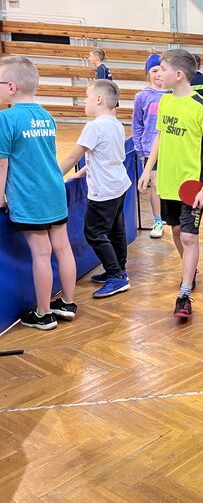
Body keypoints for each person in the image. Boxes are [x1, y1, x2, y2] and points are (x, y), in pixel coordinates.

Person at [137, 49, 203, 318]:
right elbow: (160, 136)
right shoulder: (166, 102)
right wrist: (147, 170)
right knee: (175, 231)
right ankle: (189, 269)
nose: (159, 73)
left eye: (163, 69)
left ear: (179, 74)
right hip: (168, 182)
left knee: (188, 236)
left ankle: (184, 294)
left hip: (191, 185)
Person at [0, 56, 78, 329]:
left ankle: (43, 314)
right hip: (54, 191)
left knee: (41, 254)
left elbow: (2, 164)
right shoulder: (46, 116)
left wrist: (0, 197)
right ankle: (68, 303)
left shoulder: (5, 118)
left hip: (30, 197)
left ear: (11, 87)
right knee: (63, 247)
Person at [60, 80, 131, 299]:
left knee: (94, 233)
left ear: (99, 99)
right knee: (116, 231)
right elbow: (106, 155)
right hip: (119, 185)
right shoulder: (115, 123)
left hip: (104, 190)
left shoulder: (94, 126)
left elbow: (73, 157)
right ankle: (119, 269)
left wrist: (53, 178)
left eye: (87, 96)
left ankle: (116, 277)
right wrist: (85, 171)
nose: (84, 100)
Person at [133, 53, 168, 238]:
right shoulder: (142, 97)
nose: (158, 74)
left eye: (161, 70)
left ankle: (173, 217)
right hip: (149, 148)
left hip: (171, 147)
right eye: (154, 70)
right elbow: (137, 124)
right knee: (155, 184)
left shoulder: (173, 95)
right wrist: (139, 149)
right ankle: (158, 220)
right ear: (148, 74)